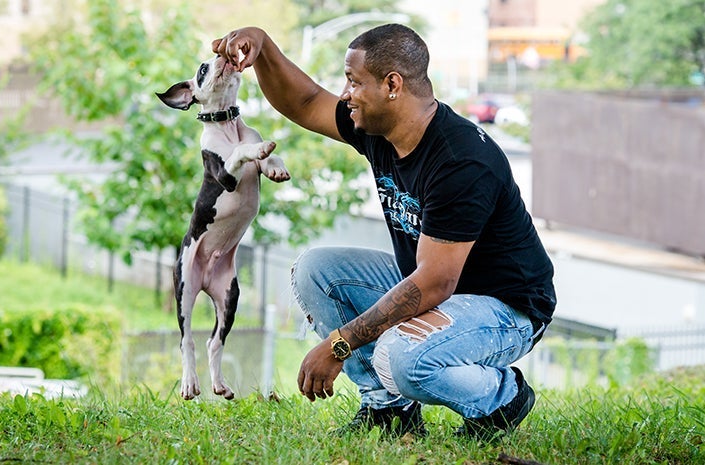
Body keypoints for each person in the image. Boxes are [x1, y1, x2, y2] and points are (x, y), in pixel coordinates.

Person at [212, 24, 556, 440]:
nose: (344, 94)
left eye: (354, 82)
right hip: (437, 284)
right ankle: (388, 409)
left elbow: (433, 283)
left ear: (392, 84)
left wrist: (339, 344)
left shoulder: (461, 161)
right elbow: (303, 101)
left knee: (402, 358)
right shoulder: (379, 129)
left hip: (506, 308)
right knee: (316, 272)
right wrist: (262, 46)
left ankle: (501, 398)